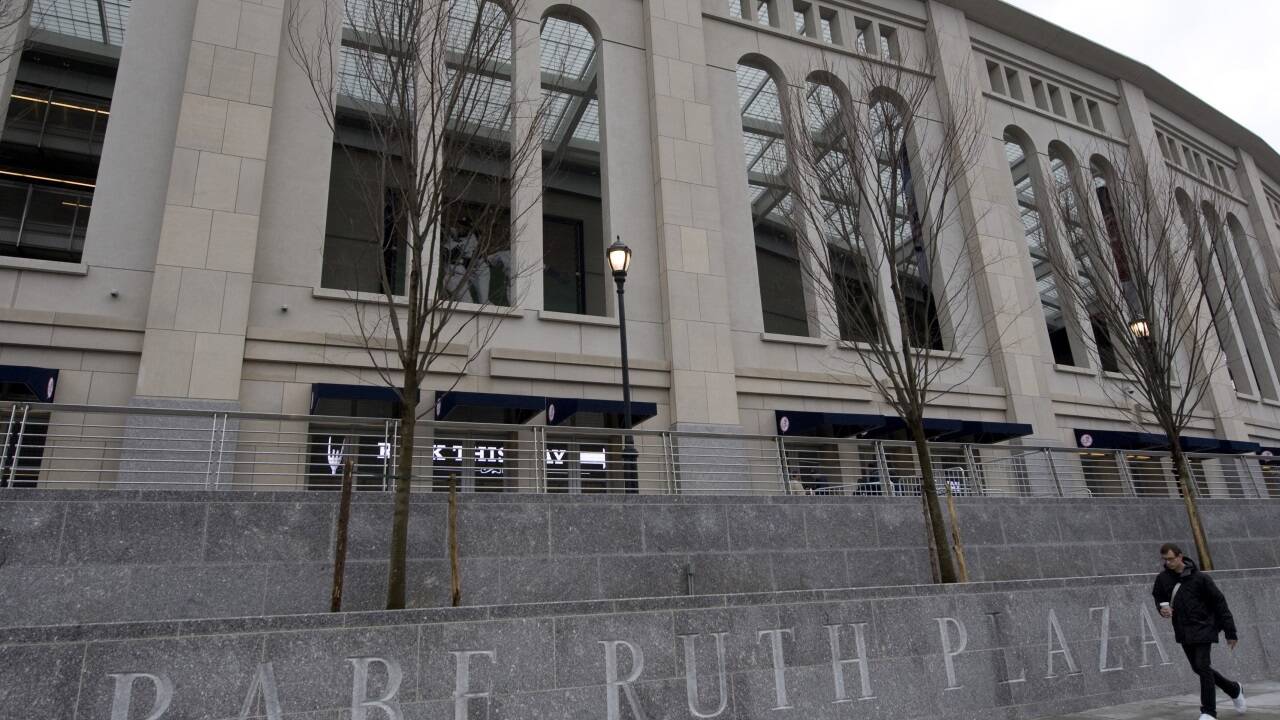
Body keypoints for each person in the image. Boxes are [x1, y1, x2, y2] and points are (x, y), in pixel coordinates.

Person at [1152, 543, 1246, 719]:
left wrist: (1230, 632)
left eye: (1171, 559)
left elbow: (1220, 603)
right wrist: (1162, 609)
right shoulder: (1162, 579)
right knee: (1199, 668)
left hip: (1205, 627)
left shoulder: (1200, 578)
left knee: (1202, 666)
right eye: (1165, 560)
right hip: (1183, 629)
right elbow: (1159, 596)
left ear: (1180, 557)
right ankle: (1234, 689)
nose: (1168, 563)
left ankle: (1209, 712)